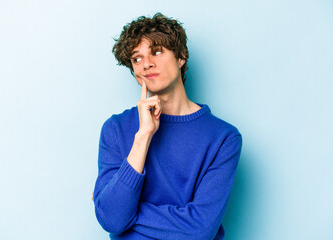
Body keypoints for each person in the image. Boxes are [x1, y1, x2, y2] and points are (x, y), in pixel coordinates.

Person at [92, 13, 242, 240]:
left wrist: (126, 213)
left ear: (181, 57)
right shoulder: (116, 129)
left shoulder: (223, 137)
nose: (147, 64)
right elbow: (112, 220)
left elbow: (199, 230)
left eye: (157, 51)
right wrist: (143, 135)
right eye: (137, 58)